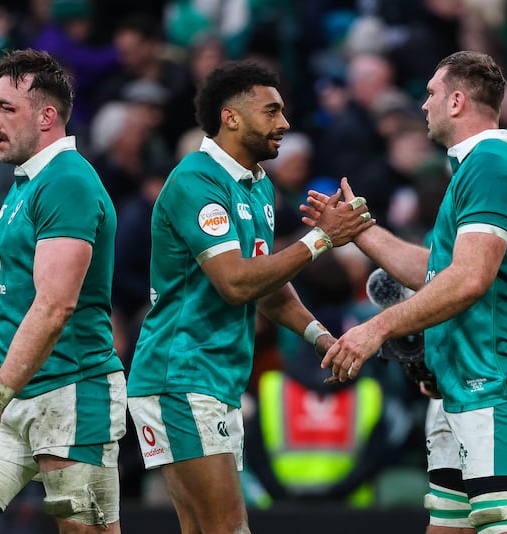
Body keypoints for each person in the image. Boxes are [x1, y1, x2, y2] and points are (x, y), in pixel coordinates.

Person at [305, 50, 507, 533]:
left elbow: (470, 279)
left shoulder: (490, 165)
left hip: (497, 377)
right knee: (448, 523)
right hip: (464, 376)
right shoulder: (475, 167)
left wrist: (376, 327)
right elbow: (437, 271)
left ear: (456, 101)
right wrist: (358, 231)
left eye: (430, 94)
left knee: (504, 521)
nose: (422, 105)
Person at [125, 59, 374, 533]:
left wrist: (321, 338)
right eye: (271, 111)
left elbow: (266, 288)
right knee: (228, 528)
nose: (284, 123)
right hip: (179, 376)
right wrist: (321, 240)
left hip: (213, 378)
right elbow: (236, 282)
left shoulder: (258, 187)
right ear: (231, 117)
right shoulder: (195, 181)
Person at [0, 49, 126, 534]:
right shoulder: (26, 183)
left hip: (72, 391)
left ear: (47, 116)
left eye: (5, 108)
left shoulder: (67, 181)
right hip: (18, 389)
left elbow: (56, 305)